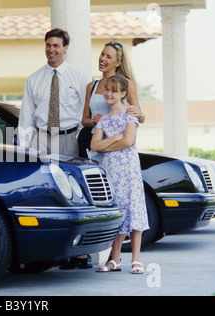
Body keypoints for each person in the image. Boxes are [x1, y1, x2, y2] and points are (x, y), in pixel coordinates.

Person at [91, 75, 149, 274]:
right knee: (118, 211)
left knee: (134, 210)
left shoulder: (130, 114)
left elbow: (128, 141)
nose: (108, 93)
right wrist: (116, 137)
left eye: (114, 91)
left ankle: (136, 259)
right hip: (112, 172)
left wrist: (106, 145)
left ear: (123, 93)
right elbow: (93, 145)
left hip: (129, 170)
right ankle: (114, 259)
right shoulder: (103, 119)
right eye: (107, 89)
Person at [18, 28, 88, 157]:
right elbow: (26, 116)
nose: (51, 50)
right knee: (40, 177)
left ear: (65, 48)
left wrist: (77, 137)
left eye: (56, 45)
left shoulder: (80, 77)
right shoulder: (33, 79)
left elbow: (85, 110)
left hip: (69, 140)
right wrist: (24, 149)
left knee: (67, 176)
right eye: (48, 45)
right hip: (41, 140)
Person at [81, 41, 145, 163]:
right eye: (102, 54)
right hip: (96, 143)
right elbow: (84, 120)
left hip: (118, 145)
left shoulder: (126, 84)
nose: (102, 59)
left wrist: (141, 114)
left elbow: (139, 117)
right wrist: (93, 121)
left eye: (108, 57)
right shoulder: (91, 86)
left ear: (118, 63)